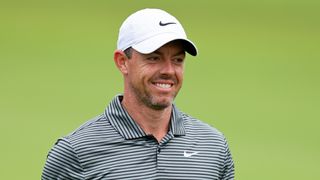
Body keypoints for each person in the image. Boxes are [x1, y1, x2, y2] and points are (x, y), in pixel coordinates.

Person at [42, 8, 234, 179]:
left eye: (177, 60)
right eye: (154, 58)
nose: (168, 70)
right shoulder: (76, 152)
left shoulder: (213, 147)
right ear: (122, 62)